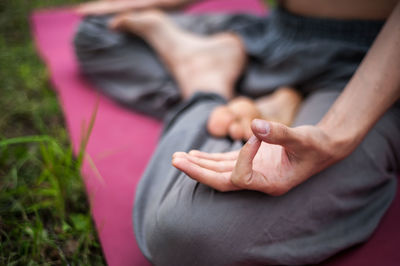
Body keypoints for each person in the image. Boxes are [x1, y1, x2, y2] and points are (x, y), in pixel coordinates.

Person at [74, 0, 400, 264]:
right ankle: (272, 96)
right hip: (277, 35)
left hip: (369, 77)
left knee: (190, 237)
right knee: (100, 31)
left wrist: (335, 134)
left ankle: (206, 83)